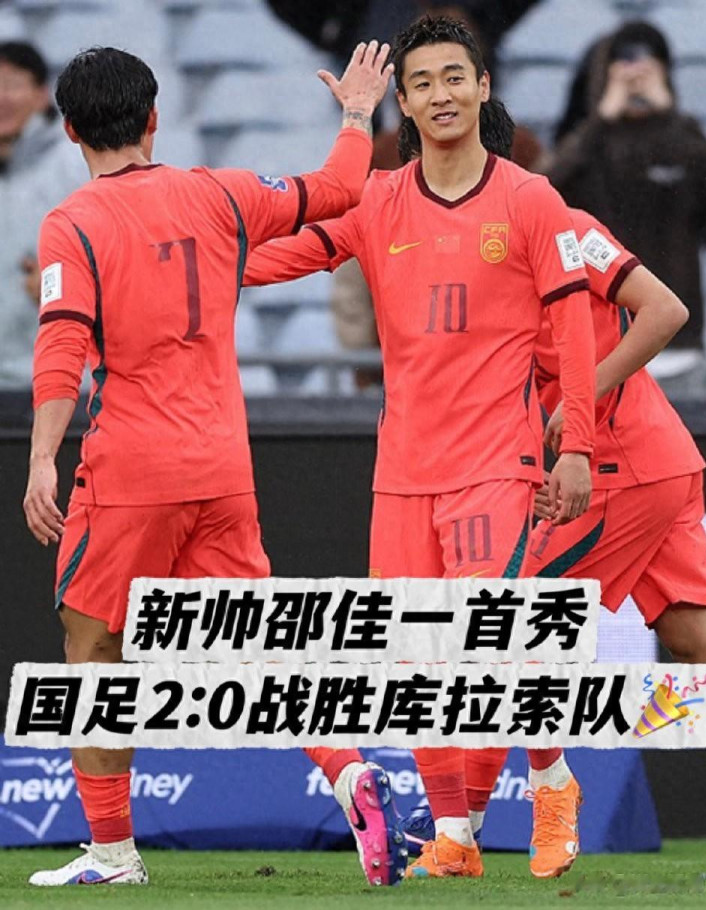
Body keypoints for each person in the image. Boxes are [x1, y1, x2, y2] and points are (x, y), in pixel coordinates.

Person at [22, 43, 405, 887]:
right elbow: (338, 189)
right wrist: (355, 114)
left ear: (70, 129)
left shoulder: (71, 222)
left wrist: (43, 455)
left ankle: (113, 853)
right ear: (155, 118)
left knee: (94, 649)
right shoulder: (221, 193)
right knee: (252, 645)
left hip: (130, 474)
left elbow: (61, 345)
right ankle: (346, 768)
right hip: (223, 466)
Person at [243, 14, 598, 880]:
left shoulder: (531, 199)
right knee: (416, 660)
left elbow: (575, 328)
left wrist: (578, 446)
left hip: (497, 462)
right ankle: (456, 838)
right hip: (402, 471)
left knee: (496, 641)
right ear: (400, 102)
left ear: (483, 87)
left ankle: (552, 782)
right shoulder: (376, 200)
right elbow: (265, 260)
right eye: (423, 83)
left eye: (454, 77)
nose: (440, 95)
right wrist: (175, 246)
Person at [402, 205, 706, 876]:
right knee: (703, 644)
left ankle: (478, 822)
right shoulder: (460, 257)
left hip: (619, 468)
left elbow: (665, 310)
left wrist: (581, 401)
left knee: (504, 623)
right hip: (656, 462)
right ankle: (464, 827)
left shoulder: (566, 230)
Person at [544, 21, 706, 392]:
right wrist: (602, 116)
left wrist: (669, 113)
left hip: (681, 345)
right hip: (609, 346)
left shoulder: (683, 137)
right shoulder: (592, 143)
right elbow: (542, 197)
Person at [0, 41, 86, 397]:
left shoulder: (75, 165)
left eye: (11, 85)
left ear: (40, 95)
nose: (2, 97)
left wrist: (66, 281)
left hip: (58, 383)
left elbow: (118, 257)